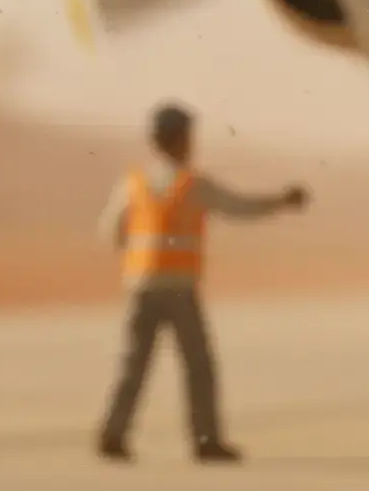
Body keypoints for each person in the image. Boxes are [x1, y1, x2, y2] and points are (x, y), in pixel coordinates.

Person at [95, 102, 308, 463]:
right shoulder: (191, 184)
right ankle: (205, 440)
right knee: (198, 365)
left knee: (134, 364)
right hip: (179, 287)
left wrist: (139, 262)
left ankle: (112, 434)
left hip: (142, 286)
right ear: (181, 139)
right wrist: (281, 202)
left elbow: (111, 231)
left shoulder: (134, 183)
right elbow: (240, 207)